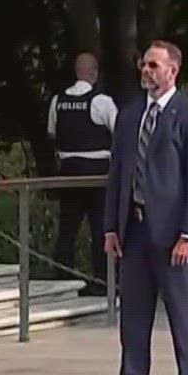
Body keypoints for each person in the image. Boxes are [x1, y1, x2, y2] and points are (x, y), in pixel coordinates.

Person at [89, 40, 188, 375]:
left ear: (172, 70)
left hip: (174, 234)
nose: (147, 71)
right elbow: (118, 175)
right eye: (144, 65)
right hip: (134, 230)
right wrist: (111, 226)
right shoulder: (130, 117)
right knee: (134, 314)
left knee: (181, 313)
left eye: (154, 65)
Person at [48, 52, 117, 292]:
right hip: (98, 173)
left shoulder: (58, 100)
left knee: (67, 227)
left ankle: (63, 277)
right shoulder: (102, 101)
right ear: (94, 72)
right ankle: (102, 281)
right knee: (101, 228)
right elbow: (119, 132)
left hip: (68, 172)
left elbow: (53, 133)